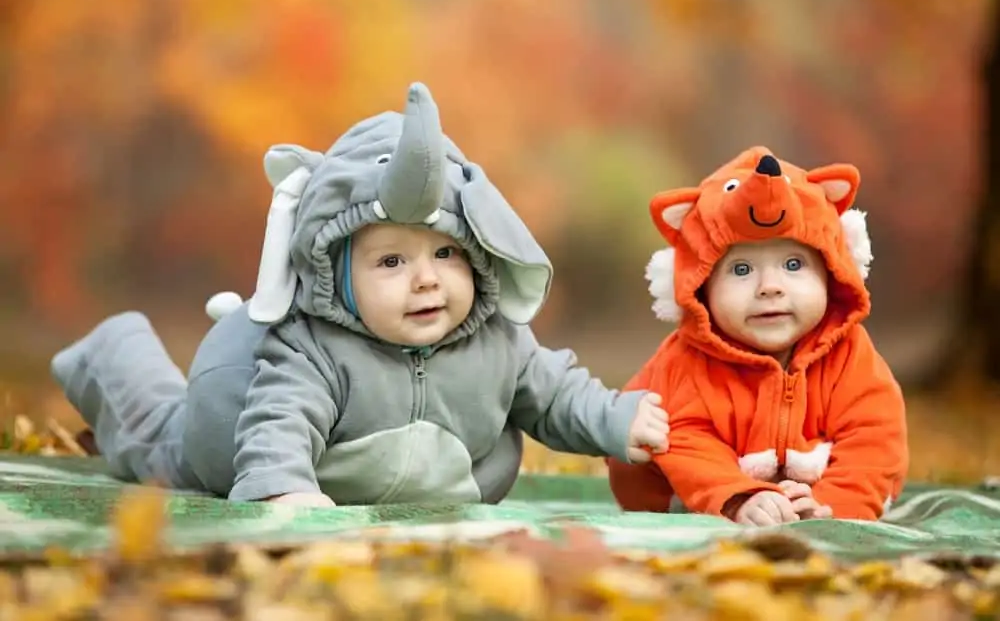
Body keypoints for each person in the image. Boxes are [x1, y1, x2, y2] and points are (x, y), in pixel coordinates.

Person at [51, 82, 669, 506]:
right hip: (225, 436)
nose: (426, 278)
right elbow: (279, 419)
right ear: (340, 276)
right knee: (154, 441)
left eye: (447, 253)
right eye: (392, 260)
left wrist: (615, 419)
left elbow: (556, 395)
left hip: (422, 484)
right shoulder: (312, 347)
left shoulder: (499, 341)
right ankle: (113, 353)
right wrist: (281, 487)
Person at [606, 146, 908, 525]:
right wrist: (737, 499)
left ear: (833, 274)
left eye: (793, 264)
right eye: (742, 269)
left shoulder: (850, 356)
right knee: (650, 431)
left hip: (809, 491)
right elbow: (684, 438)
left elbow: (875, 438)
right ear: (702, 287)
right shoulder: (686, 362)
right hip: (676, 493)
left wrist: (833, 507)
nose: (769, 287)